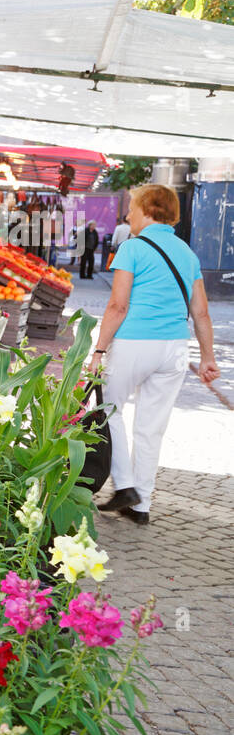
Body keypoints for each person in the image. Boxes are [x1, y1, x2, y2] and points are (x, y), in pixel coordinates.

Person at [93, 184, 220, 525]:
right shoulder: (187, 253)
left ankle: (126, 487)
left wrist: (98, 349)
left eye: (132, 208)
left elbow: (118, 306)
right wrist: (207, 358)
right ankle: (141, 504)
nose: (128, 214)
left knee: (109, 409)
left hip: (134, 342)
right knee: (151, 427)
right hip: (175, 349)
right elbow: (202, 313)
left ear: (148, 209)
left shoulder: (132, 248)